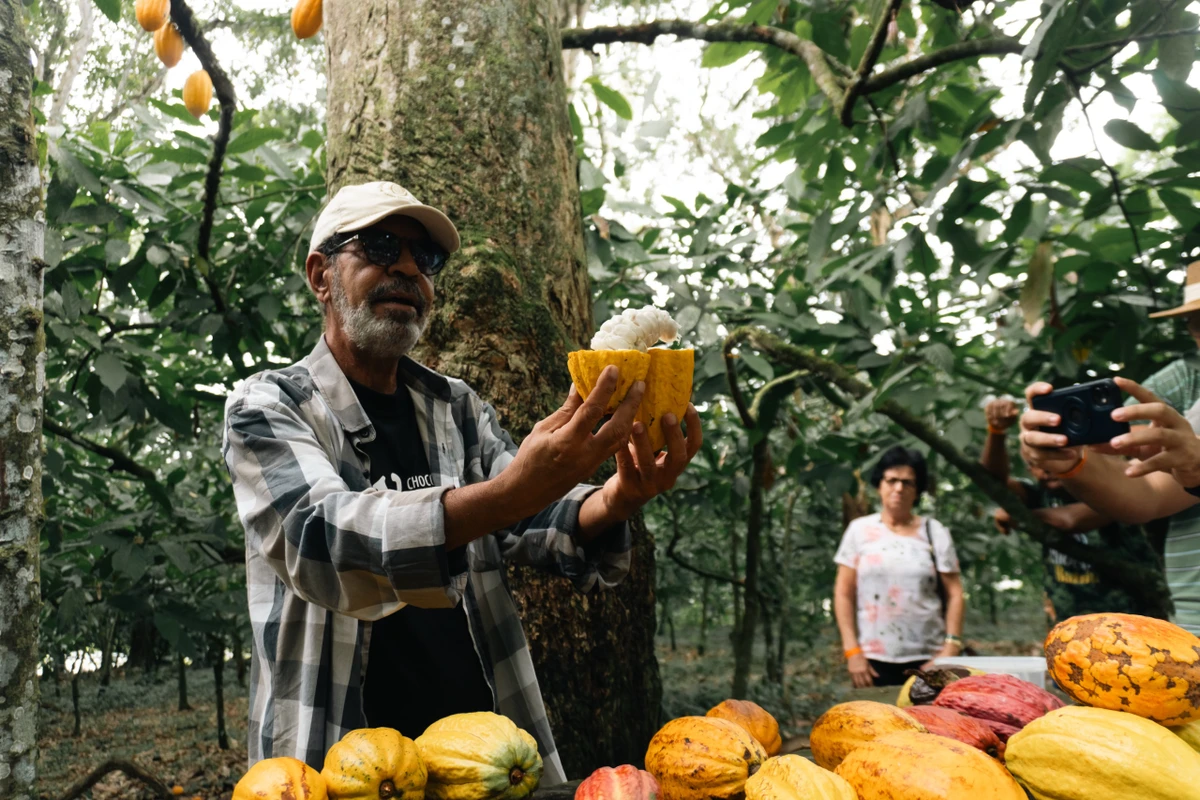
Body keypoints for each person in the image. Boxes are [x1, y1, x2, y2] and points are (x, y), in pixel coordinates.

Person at [222, 181, 703, 775]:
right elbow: (319, 540)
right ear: (320, 275)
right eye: (378, 246)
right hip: (336, 761)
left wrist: (618, 496)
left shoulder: (456, 407)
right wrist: (513, 491)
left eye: (423, 259)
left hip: (484, 761)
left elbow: (524, 517)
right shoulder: (267, 406)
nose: (405, 268)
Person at [980, 398, 1162, 624]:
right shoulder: (1040, 495)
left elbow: (1070, 520)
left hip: (1130, 614)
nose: (1046, 469)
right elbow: (992, 482)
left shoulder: (1110, 489)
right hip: (1070, 617)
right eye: (1037, 462)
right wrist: (996, 432)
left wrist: (1019, 517)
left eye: (1053, 456)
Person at [833, 446, 965, 687]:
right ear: (879, 485)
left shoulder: (934, 532)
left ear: (917, 490)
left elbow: (955, 593)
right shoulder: (859, 531)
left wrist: (950, 647)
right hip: (873, 660)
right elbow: (843, 593)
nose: (899, 488)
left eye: (908, 482)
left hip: (929, 657)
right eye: (891, 480)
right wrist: (852, 652)